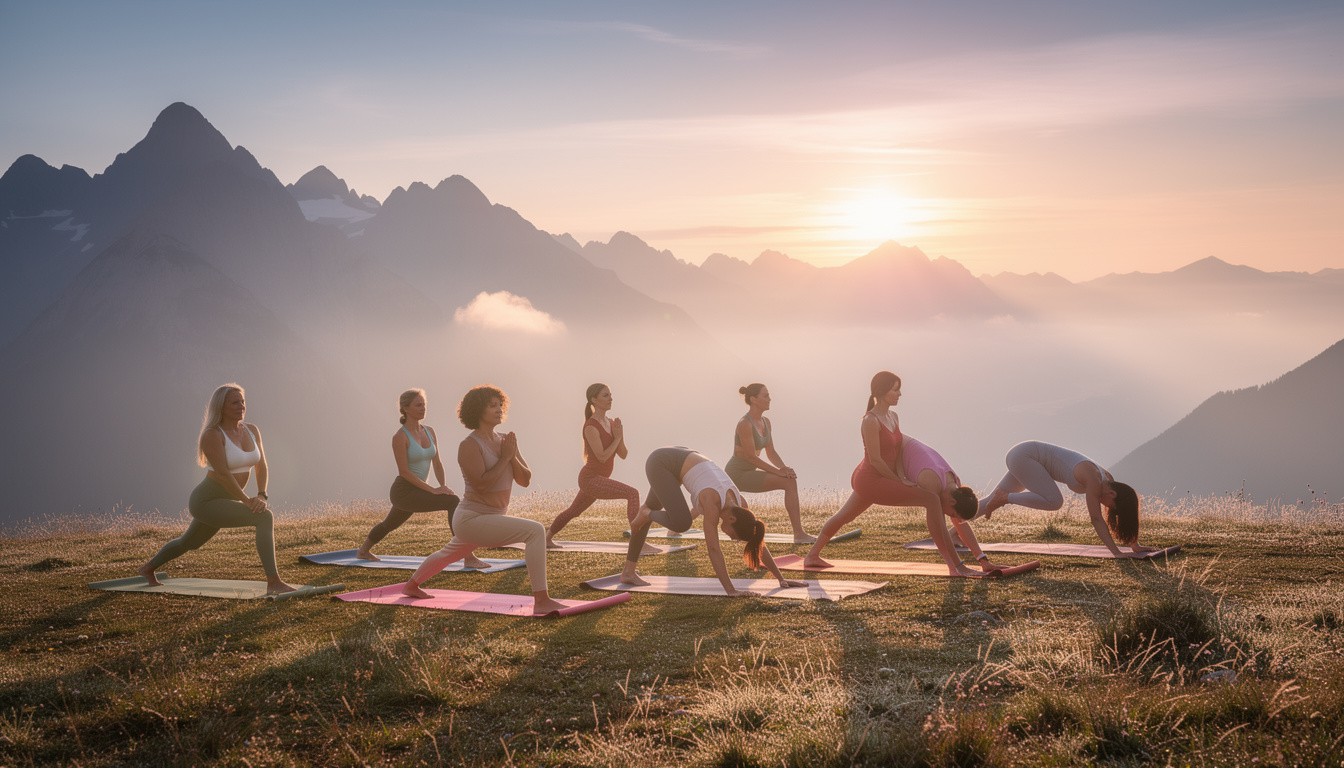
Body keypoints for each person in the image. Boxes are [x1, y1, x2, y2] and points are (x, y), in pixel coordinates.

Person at [803, 371, 986, 577]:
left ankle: (812, 555)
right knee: (931, 500)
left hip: (883, 476)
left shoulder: (893, 417)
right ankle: (955, 566)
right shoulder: (870, 421)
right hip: (871, 479)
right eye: (895, 389)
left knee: (845, 516)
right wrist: (899, 480)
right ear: (881, 391)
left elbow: (898, 452)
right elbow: (876, 460)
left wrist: (902, 476)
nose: (899, 394)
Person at [401, 385, 566, 614]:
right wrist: (505, 458)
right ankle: (541, 599)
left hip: (488, 519)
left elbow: (525, 480)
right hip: (471, 518)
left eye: (500, 405)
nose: (499, 410)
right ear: (478, 410)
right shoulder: (468, 445)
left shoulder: (506, 440)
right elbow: (481, 484)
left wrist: (511, 456)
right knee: (535, 531)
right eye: (492, 406)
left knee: (449, 553)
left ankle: (411, 585)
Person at [138, 384, 295, 593]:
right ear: (221, 407)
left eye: (243, 401)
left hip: (228, 499)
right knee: (264, 518)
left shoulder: (251, 430)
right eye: (234, 402)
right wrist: (247, 501)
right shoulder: (212, 434)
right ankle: (274, 582)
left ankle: (147, 568)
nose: (241, 406)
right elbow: (222, 474)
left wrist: (261, 495)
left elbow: (261, 465)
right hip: (206, 501)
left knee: (189, 543)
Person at [621, 447, 808, 595]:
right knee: (681, 523)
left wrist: (780, 578)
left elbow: (756, 539)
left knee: (656, 514)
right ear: (732, 519)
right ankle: (647, 514)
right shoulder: (713, 502)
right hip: (662, 462)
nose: (731, 537)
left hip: (682, 458)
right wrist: (731, 590)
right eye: (733, 535)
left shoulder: (740, 504)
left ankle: (628, 573)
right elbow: (713, 549)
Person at [355, 389, 488, 567]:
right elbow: (404, 472)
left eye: (424, 404)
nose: (422, 408)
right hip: (403, 491)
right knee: (452, 502)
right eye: (418, 405)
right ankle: (468, 557)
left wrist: (443, 486)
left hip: (418, 490)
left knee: (389, 524)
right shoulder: (400, 437)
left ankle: (363, 551)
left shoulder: (430, 431)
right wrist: (434, 490)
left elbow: (437, 463)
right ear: (405, 408)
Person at [977, 440, 1153, 557]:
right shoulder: (1095, 480)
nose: (1108, 509)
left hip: (1026, 457)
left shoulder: (1109, 483)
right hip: (1026, 456)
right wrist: (1116, 553)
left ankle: (956, 532)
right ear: (1113, 494)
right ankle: (1006, 497)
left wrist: (1133, 544)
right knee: (1054, 501)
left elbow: (1122, 513)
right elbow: (1096, 518)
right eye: (1111, 507)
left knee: (988, 502)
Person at [546, 383, 647, 547]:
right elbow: (602, 457)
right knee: (632, 493)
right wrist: (616, 438)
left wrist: (619, 436)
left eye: (610, 394)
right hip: (590, 479)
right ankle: (638, 544)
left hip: (598, 479)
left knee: (573, 511)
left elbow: (623, 454)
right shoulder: (591, 426)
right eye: (605, 395)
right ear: (594, 400)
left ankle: (546, 539)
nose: (610, 398)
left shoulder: (612, 423)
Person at [724, 383, 815, 543]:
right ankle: (675, 528)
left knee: (790, 481)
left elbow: (771, 452)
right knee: (712, 501)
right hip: (736, 474)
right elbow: (751, 457)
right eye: (765, 396)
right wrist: (777, 472)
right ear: (753, 399)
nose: (769, 399)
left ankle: (799, 534)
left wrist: (783, 468)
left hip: (749, 473)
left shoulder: (766, 422)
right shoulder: (745, 423)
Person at [901, 435, 1002, 572]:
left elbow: (960, 524)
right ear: (952, 502)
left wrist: (982, 560)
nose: (951, 516)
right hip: (892, 449)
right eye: (953, 513)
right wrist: (957, 566)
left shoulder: (953, 487)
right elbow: (939, 528)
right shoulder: (933, 484)